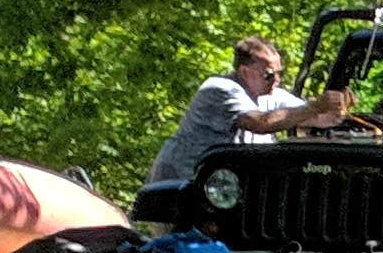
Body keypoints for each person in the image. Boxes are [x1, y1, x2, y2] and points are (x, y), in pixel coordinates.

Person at [145, 36, 346, 190]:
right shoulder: (220, 89)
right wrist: (314, 106)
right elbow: (260, 123)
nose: (276, 80)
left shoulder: (270, 94)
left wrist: (337, 108)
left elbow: (313, 117)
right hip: (182, 185)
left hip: (220, 187)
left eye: (279, 73)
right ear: (244, 71)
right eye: (268, 74)